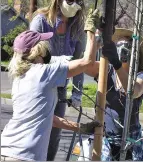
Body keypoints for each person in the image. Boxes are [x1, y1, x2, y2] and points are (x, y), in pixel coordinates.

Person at [1, 9, 103, 161]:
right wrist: (90, 31)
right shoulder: (44, 72)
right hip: (24, 156)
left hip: (6, 149)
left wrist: (79, 127)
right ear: (39, 50)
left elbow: (49, 118)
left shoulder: (20, 78)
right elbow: (86, 62)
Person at [29, 0, 88, 160]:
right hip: (39, 88)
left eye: (78, 1)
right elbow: (31, 58)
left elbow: (81, 62)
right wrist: (61, 63)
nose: (74, 5)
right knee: (37, 133)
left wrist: (77, 93)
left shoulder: (77, 27)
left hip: (60, 89)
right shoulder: (40, 21)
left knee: (54, 137)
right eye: (70, 0)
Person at [86, 28, 143, 161]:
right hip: (107, 140)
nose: (122, 49)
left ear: (135, 53)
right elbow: (86, 65)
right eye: (119, 45)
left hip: (131, 143)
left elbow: (134, 91)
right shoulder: (106, 70)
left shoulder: (140, 75)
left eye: (127, 46)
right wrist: (95, 39)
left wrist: (117, 63)